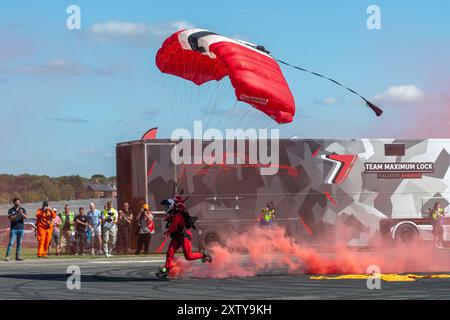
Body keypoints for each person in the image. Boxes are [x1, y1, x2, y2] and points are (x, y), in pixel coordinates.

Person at [157, 196, 212, 278]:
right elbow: (172, 224)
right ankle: (167, 270)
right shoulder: (173, 214)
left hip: (184, 235)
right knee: (170, 252)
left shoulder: (178, 215)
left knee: (188, 256)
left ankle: (204, 255)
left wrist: (167, 233)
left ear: (171, 206)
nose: (165, 208)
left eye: (166, 206)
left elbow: (174, 225)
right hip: (177, 236)